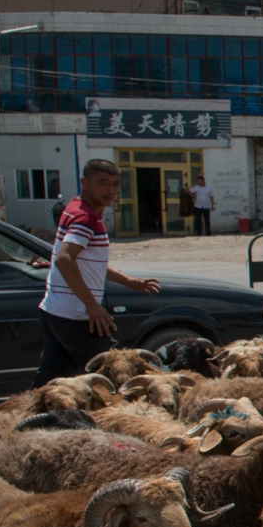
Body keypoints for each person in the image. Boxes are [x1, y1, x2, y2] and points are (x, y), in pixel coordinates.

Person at [35, 157, 160, 385]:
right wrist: (91, 305)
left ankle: (29, 417)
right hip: (76, 315)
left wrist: (127, 281)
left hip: (56, 310)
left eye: (114, 184)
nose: (110, 190)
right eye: (103, 183)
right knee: (121, 376)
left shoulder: (75, 208)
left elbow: (89, 263)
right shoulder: (86, 218)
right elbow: (64, 260)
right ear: (85, 182)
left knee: (49, 381)